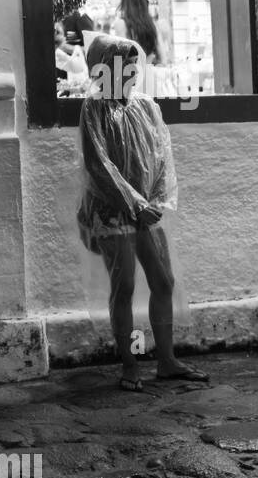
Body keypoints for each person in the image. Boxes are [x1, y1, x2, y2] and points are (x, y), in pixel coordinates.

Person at [76, 34, 208, 391]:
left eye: (134, 64)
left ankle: (166, 361)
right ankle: (129, 365)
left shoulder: (147, 106)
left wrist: (157, 203)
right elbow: (99, 165)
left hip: (146, 212)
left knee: (163, 281)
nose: (132, 71)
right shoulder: (95, 108)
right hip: (111, 213)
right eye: (124, 65)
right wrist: (135, 203)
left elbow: (163, 158)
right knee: (125, 286)